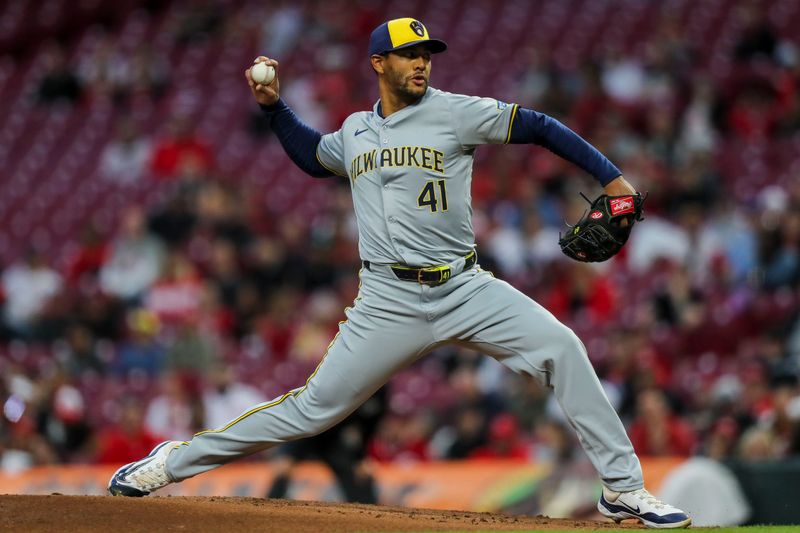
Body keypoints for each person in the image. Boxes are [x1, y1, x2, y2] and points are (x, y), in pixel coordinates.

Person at [108, 17, 691, 529]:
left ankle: (623, 489)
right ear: (378, 63)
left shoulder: (455, 112)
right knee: (312, 410)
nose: (421, 63)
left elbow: (537, 125)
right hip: (387, 299)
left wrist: (614, 180)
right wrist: (272, 108)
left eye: (426, 54)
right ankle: (170, 463)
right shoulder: (357, 129)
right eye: (410, 54)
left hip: (465, 286)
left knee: (563, 347)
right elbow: (314, 157)